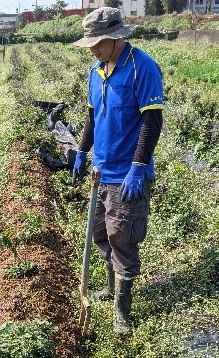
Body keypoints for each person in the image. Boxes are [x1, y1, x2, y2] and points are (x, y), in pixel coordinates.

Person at [72, 8, 164, 338]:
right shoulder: (96, 73)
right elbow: (92, 119)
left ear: (116, 37)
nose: (93, 49)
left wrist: (139, 167)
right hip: (102, 172)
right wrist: (82, 152)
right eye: (90, 43)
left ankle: (122, 312)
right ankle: (110, 287)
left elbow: (153, 122)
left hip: (128, 175)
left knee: (122, 238)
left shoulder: (143, 68)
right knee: (100, 233)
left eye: (98, 42)